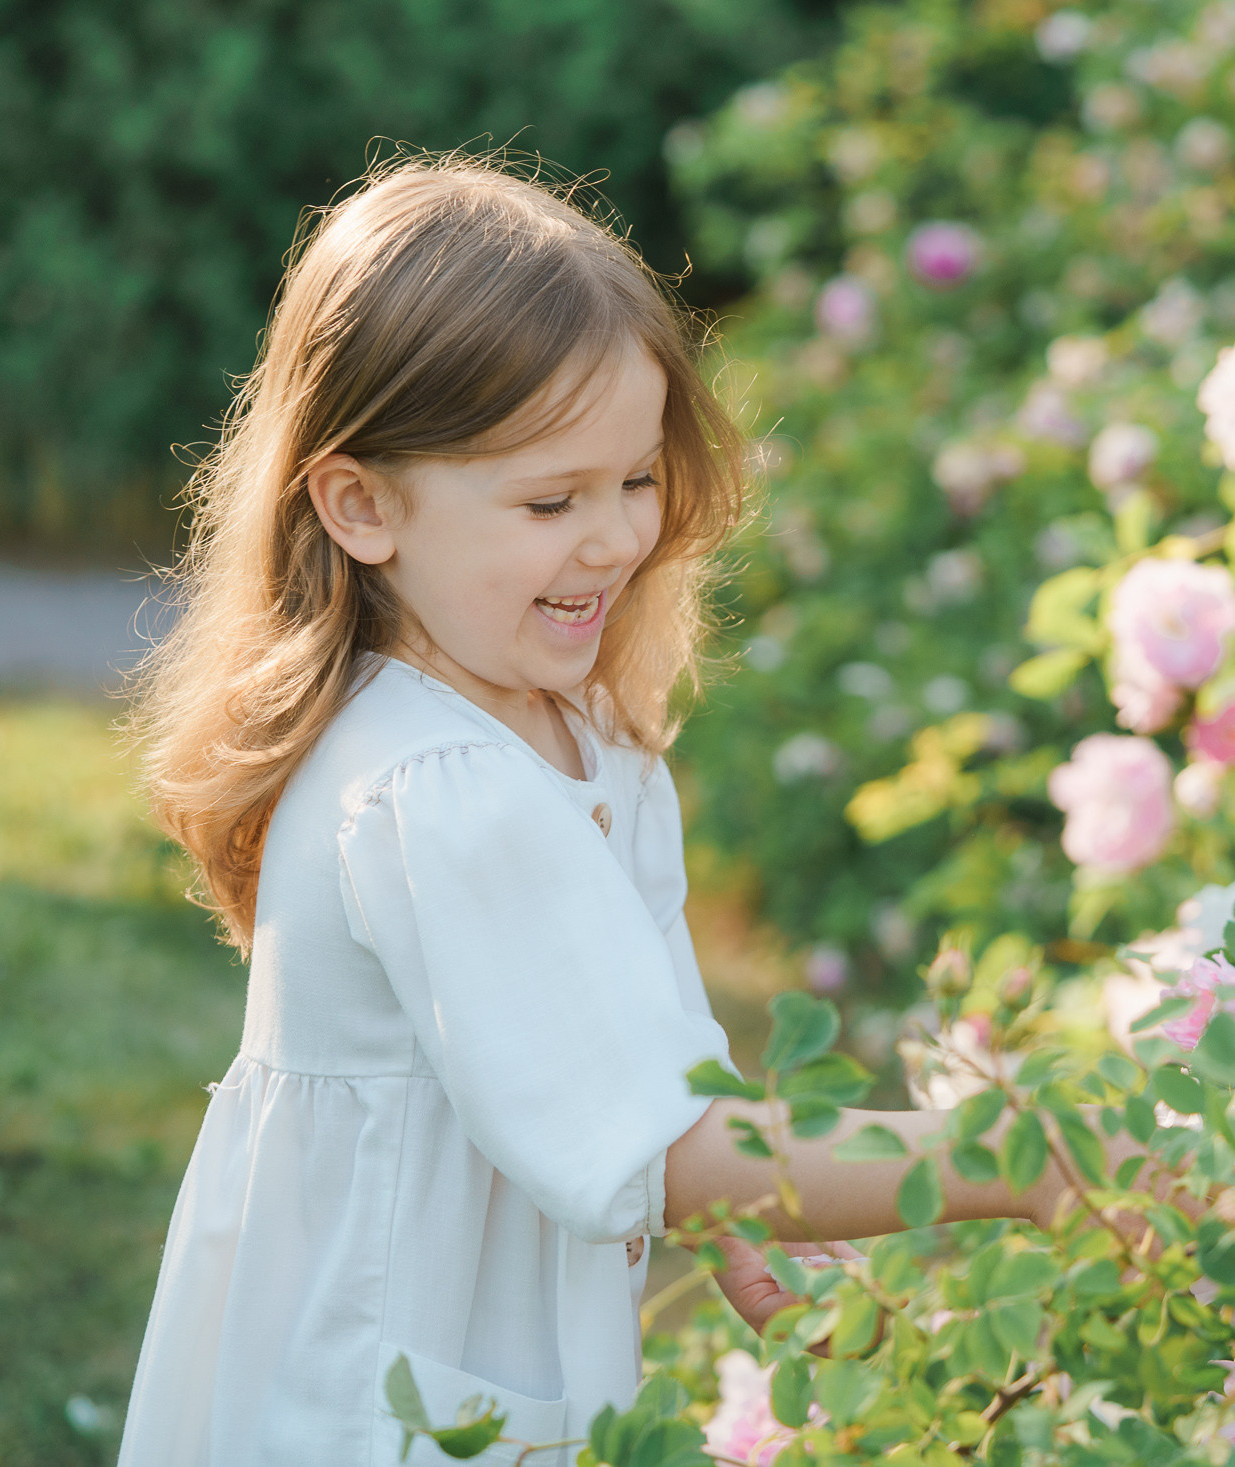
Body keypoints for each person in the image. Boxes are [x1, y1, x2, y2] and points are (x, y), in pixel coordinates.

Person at [118, 156, 1073, 1466]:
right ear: (363, 505)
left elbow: (650, 1062)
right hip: (370, 1382)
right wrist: (1017, 1159)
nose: (618, 537)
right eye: (551, 500)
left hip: (466, 1350)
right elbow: (670, 1147)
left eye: (635, 479)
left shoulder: (586, 738)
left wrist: (741, 1215)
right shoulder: (436, 790)